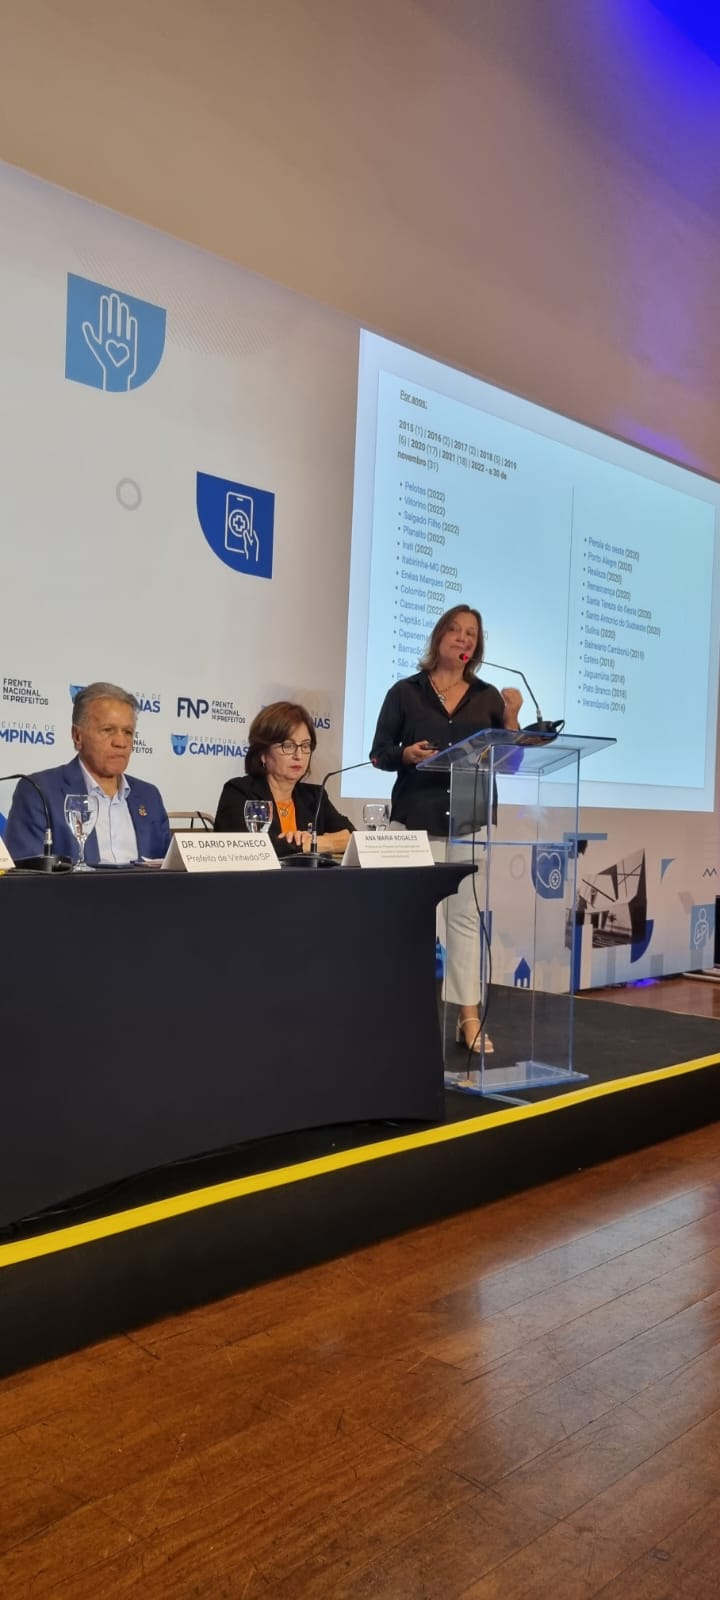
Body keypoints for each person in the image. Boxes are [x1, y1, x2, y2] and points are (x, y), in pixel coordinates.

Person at [370, 605, 522, 1053]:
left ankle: (467, 1017)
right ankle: (399, 1015)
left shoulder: (489, 697)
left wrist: (512, 716)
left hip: (468, 822)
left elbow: (510, 764)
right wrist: (406, 755)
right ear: (438, 638)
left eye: (471, 633)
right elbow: (379, 754)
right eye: (454, 630)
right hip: (415, 819)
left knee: (464, 922)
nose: (463, 638)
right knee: (407, 924)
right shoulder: (405, 692)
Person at [5, 682, 171, 865]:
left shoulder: (149, 796)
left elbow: (171, 868)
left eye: (128, 732)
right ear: (78, 736)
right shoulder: (39, 792)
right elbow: (25, 872)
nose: (121, 742)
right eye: (108, 730)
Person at [214, 700, 354, 858]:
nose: (298, 755)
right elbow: (248, 848)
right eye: (288, 745)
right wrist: (309, 845)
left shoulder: (315, 797)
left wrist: (317, 842)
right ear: (263, 753)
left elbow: (352, 837)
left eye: (305, 745)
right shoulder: (240, 792)